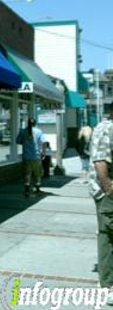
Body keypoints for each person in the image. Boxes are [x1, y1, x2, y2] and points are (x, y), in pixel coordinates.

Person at [90, 117, 113, 304]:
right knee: (108, 236)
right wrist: (109, 189)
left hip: (105, 193)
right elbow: (100, 163)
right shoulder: (108, 128)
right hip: (107, 195)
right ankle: (108, 286)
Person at [16, 117, 46, 197]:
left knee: (27, 173)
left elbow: (18, 141)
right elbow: (43, 143)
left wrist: (25, 142)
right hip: (36, 156)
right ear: (35, 123)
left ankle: (27, 190)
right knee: (38, 173)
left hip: (26, 156)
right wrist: (43, 153)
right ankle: (37, 189)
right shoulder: (39, 131)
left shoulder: (22, 131)